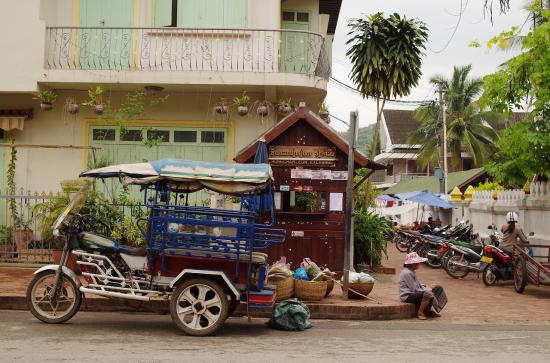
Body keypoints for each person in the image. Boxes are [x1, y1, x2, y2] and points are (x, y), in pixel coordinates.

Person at [398, 252, 445, 320]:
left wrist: (426, 287)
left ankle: (428, 311)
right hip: (407, 296)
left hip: (413, 293)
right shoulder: (407, 273)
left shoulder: (411, 271)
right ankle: (420, 313)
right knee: (428, 294)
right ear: (412, 264)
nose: (419, 264)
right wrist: (429, 289)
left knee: (435, 289)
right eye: (417, 262)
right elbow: (414, 289)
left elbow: (417, 285)